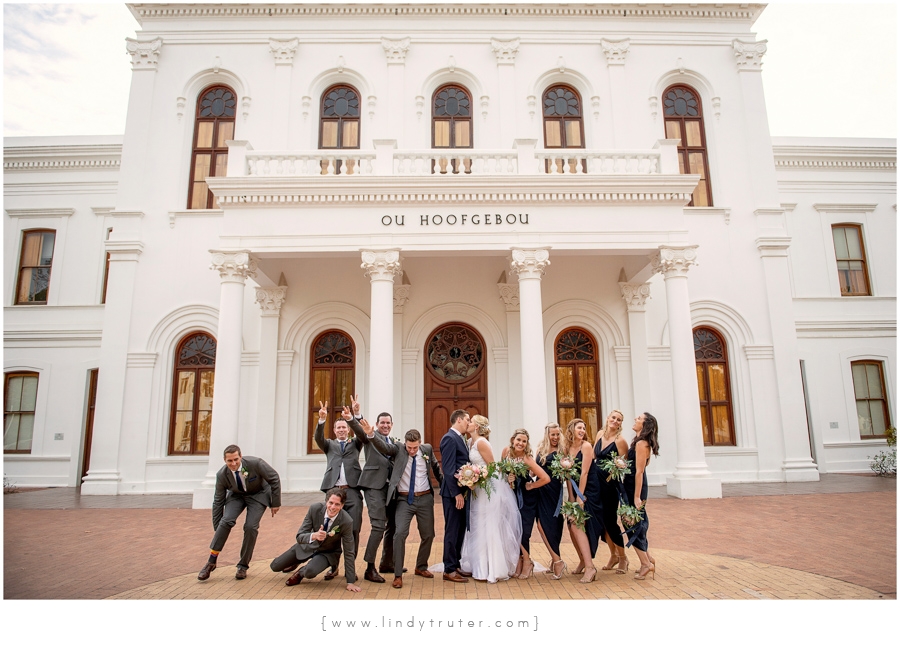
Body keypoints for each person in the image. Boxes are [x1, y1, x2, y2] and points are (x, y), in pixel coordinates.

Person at [370, 428, 443, 588]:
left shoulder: (427, 449)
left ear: (420, 443)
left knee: (428, 534)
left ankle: (421, 566)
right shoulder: (398, 449)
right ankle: (398, 575)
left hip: (425, 498)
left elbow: (436, 469)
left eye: (415, 447)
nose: (412, 450)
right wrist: (371, 434)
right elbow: (384, 447)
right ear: (405, 444)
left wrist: (446, 489)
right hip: (404, 500)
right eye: (409, 447)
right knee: (399, 534)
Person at [197, 445, 281, 581]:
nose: (233, 463)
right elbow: (218, 501)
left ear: (241, 457)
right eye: (229, 461)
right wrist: (218, 529)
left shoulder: (256, 463)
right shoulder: (222, 475)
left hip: (258, 495)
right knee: (226, 521)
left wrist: (275, 502)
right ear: (224, 460)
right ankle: (211, 562)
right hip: (236, 496)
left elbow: (274, 478)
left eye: (236, 459)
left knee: (250, 527)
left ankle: (243, 566)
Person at [459, 414, 523, 583]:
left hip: (486, 489)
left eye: (471, 421)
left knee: (487, 525)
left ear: (477, 427)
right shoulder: (470, 442)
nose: (468, 423)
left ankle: (492, 568)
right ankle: (479, 566)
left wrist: (477, 478)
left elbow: (493, 467)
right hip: (476, 489)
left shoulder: (482, 443)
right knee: (477, 524)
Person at [269, 487, 361, 592]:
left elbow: (349, 551)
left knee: (310, 572)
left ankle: (301, 572)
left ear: (342, 506)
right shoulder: (314, 509)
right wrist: (314, 535)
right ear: (326, 502)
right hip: (307, 546)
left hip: (327, 553)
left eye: (337, 504)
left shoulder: (347, 521)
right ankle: (297, 561)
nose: (333, 507)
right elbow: (299, 536)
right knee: (275, 566)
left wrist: (350, 582)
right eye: (330, 503)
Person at [314, 399, 363, 580]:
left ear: (348, 429)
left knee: (354, 529)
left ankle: (350, 568)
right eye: (339, 428)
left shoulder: (356, 443)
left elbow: (363, 434)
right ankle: (333, 566)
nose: (342, 430)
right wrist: (322, 419)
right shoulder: (329, 445)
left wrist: (354, 416)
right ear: (334, 431)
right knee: (331, 530)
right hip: (334, 492)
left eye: (344, 427)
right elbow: (318, 438)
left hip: (352, 491)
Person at [352, 406, 400, 583]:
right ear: (377, 424)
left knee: (393, 525)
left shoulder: (393, 441)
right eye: (382, 423)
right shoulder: (370, 436)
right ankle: (369, 567)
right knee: (378, 525)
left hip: (390, 489)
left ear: (392, 425)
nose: (385, 425)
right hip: (373, 486)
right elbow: (360, 429)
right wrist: (356, 416)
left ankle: (387, 563)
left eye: (388, 423)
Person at [501, 428, 550, 580]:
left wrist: (531, 485)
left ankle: (527, 562)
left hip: (526, 498)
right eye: (518, 440)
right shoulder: (506, 452)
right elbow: (501, 472)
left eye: (524, 441)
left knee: (523, 531)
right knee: (514, 529)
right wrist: (507, 478)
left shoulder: (527, 459)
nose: (521, 443)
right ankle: (519, 562)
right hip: (511, 495)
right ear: (513, 440)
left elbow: (545, 478)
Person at [439, 409, 473, 583]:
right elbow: (448, 469)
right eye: (467, 419)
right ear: (459, 420)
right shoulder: (449, 438)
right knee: (452, 530)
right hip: (453, 494)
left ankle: (456, 564)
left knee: (460, 530)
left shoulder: (461, 438)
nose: (469, 423)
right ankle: (449, 569)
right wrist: (457, 493)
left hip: (462, 492)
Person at [625, 412, 660, 581]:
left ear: (645, 425)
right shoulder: (640, 442)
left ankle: (646, 563)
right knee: (635, 522)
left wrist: (636, 497)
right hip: (631, 485)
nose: (635, 419)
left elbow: (639, 472)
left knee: (632, 523)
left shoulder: (641, 444)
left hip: (635, 487)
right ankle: (647, 558)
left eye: (639, 418)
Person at [563, 418, 599, 583]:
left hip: (588, 490)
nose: (582, 431)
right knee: (571, 525)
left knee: (577, 525)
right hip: (575, 488)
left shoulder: (586, 446)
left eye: (584, 428)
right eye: (579, 428)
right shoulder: (567, 448)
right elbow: (568, 475)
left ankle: (590, 567)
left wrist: (580, 497)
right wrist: (571, 497)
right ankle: (583, 560)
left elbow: (584, 473)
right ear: (571, 429)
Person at [595, 409, 630, 574]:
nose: (615, 421)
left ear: (621, 424)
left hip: (610, 485)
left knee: (610, 521)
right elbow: (594, 457)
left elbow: (625, 465)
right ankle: (613, 555)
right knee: (601, 522)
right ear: (608, 418)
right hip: (596, 484)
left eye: (619, 420)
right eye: (613, 417)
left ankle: (623, 557)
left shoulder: (620, 441)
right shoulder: (600, 434)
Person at [535, 422, 567, 579]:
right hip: (540, 490)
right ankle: (556, 559)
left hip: (554, 490)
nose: (555, 437)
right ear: (547, 435)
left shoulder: (563, 450)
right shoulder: (541, 449)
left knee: (553, 524)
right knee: (541, 524)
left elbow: (568, 471)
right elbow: (534, 469)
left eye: (557, 434)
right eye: (552, 434)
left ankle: (557, 560)